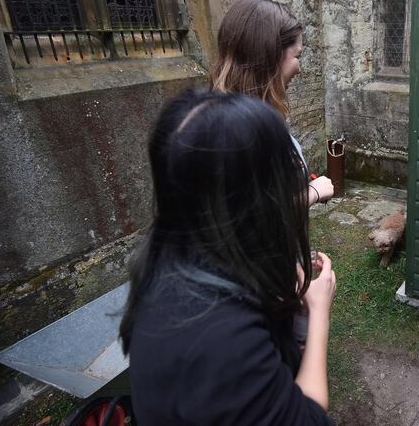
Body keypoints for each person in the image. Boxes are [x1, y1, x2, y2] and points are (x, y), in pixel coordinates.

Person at [120, 91, 337, 425]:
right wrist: (319, 310)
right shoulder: (224, 343)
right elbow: (308, 416)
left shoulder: (163, 265)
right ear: (255, 202)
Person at [209, 0, 333, 206]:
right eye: (297, 56)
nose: (300, 69)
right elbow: (252, 218)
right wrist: (312, 193)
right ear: (271, 56)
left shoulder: (234, 113)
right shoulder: (241, 129)